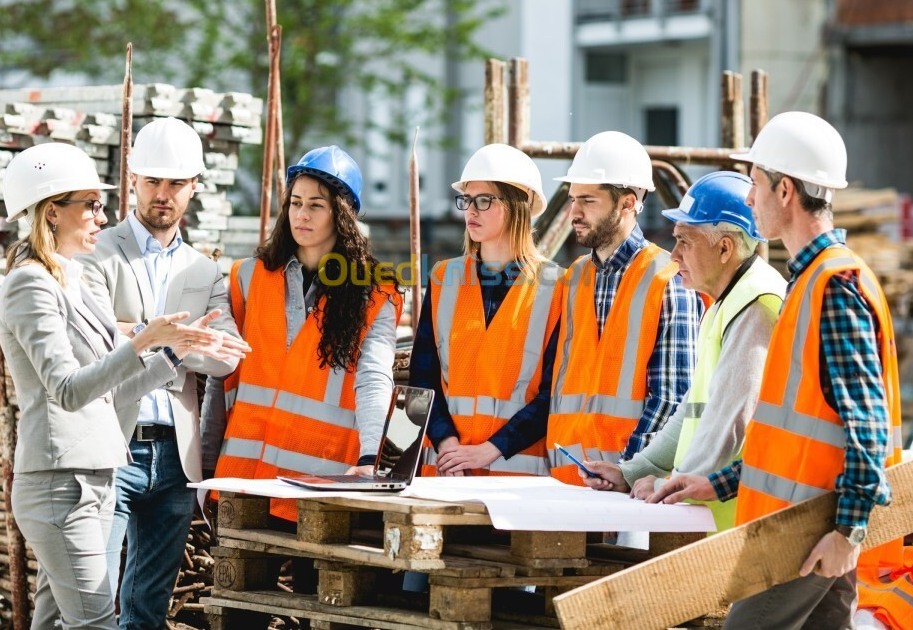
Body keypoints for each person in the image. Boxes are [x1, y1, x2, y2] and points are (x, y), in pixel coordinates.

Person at [648, 112, 903, 629]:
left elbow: (867, 425)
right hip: (802, 523)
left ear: (785, 190)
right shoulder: (810, 282)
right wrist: (717, 483)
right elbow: (794, 437)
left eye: (757, 185)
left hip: (807, 532)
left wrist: (848, 532)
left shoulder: (833, 286)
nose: (749, 199)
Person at [0, 143, 236, 630]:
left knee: (53, 622)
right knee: (96, 623)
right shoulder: (29, 285)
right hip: (62, 483)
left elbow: (109, 393)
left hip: (95, 476)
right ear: (51, 212)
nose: (102, 218)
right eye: (91, 204)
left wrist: (174, 352)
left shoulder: (72, 282)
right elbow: (66, 390)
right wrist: (144, 338)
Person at [78, 118, 248, 629]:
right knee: (95, 601)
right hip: (112, 445)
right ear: (133, 180)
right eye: (153, 181)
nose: (163, 194)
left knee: (149, 608)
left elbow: (227, 356)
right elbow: (88, 341)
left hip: (176, 457)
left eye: (175, 183)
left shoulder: (204, 270)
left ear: (194, 186)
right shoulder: (96, 253)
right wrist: (173, 336)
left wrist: (147, 335)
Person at [579, 171, 785, 532]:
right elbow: (693, 412)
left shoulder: (756, 304)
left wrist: (671, 484)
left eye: (685, 242)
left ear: (724, 248)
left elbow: (728, 424)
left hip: (743, 526)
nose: (673, 256)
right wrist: (634, 472)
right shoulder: (726, 302)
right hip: (719, 519)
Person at [207, 145, 402, 521]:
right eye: (295, 203)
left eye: (316, 205)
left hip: (320, 481)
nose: (302, 214)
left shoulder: (376, 293)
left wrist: (369, 455)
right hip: (245, 479)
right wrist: (205, 457)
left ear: (342, 213)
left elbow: (375, 378)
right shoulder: (248, 277)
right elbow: (222, 377)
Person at [546, 131, 703, 486]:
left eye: (588, 200)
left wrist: (628, 471)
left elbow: (672, 398)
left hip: (631, 488)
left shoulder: (668, 279)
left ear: (628, 203)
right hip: (565, 481)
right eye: (573, 199)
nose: (575, 212)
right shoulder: (573, 279)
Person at [410, 143, 562, 477]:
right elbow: (422, 379)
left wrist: (489, 451)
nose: (470, 211)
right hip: (446, 474)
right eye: (466, 200)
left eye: (484, 200)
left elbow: (554, 394)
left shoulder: (556, 288)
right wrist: (446, 443)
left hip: (517, 483)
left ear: (517, 205)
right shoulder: (443, 278)